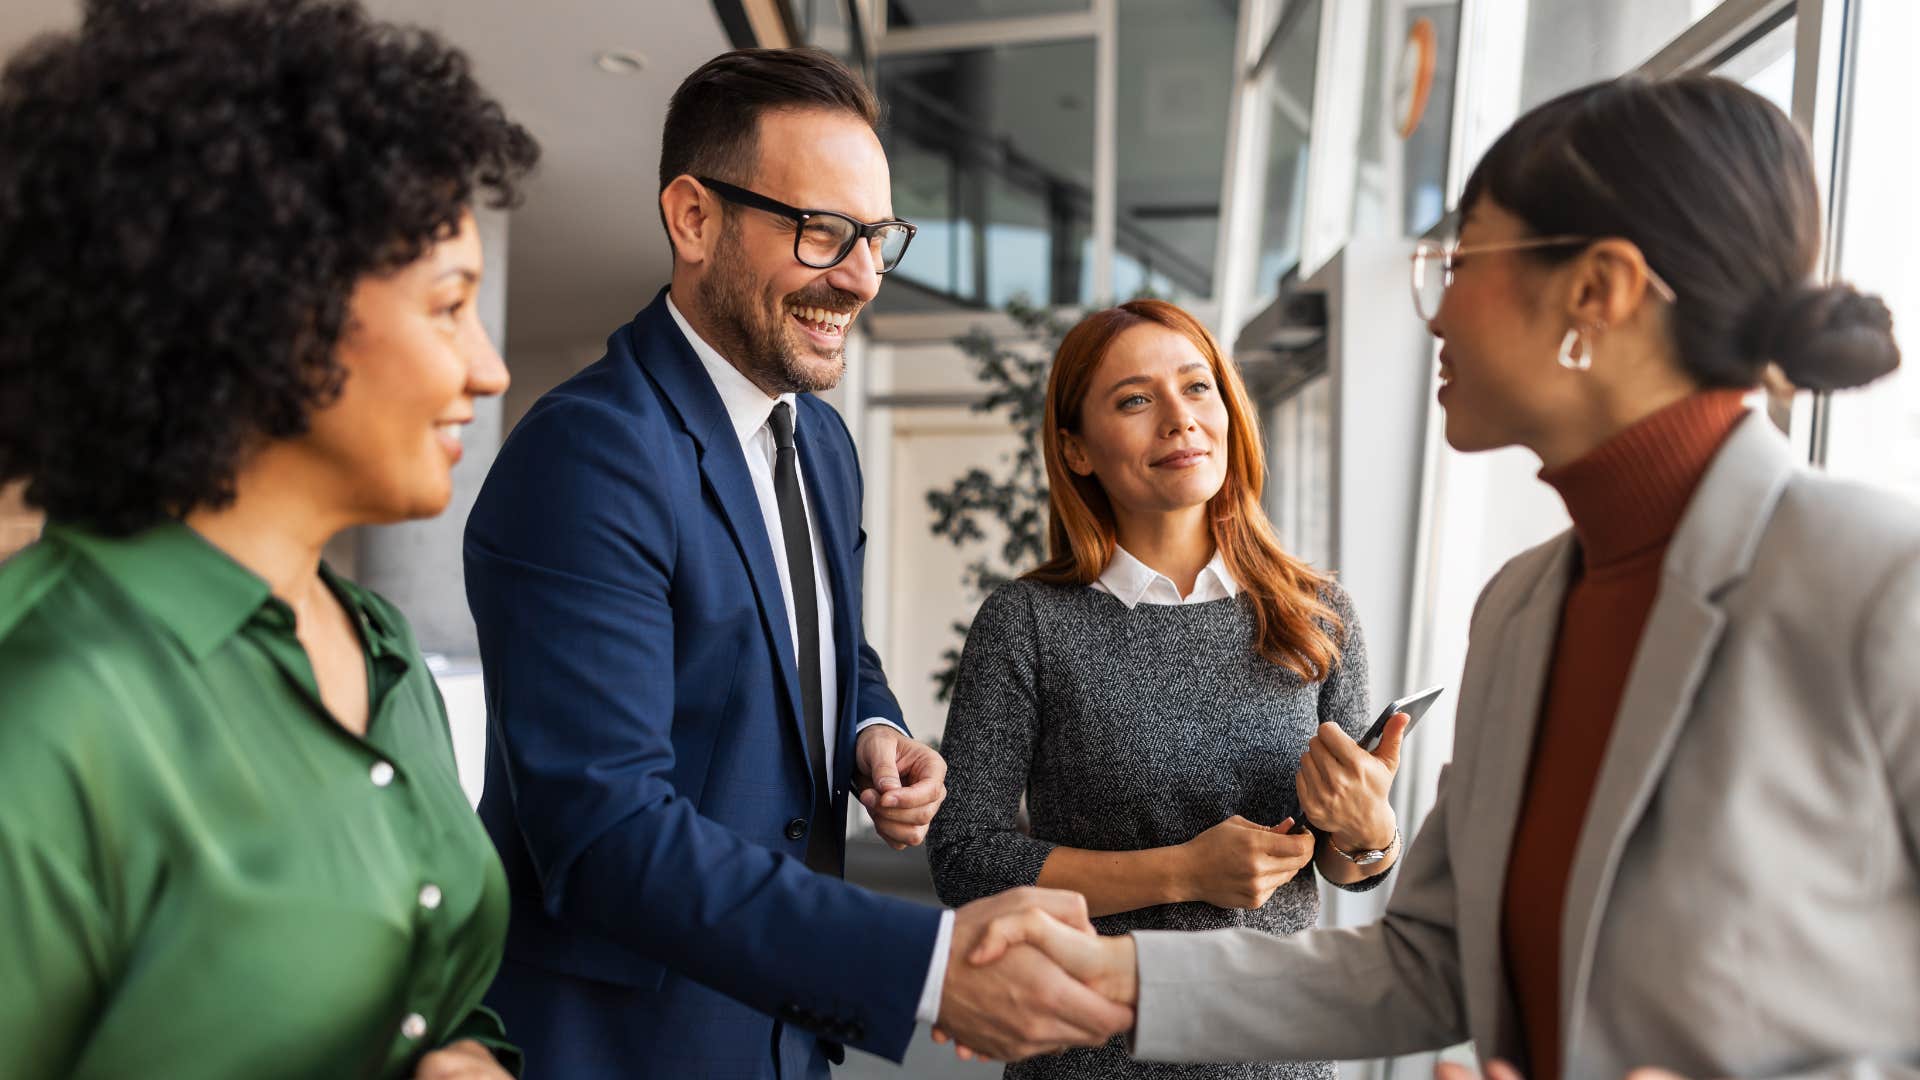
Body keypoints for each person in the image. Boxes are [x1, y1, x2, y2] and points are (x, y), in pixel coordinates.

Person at [955, 74, 1918, 1080]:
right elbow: (1435, 960)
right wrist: (1117, 980)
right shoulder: (1519, 608)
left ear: (1599, 291)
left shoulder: (1880, 585)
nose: (1437, 311)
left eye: (1462, 260)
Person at [462, 47, 1131, 1079]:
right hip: (626, 1047)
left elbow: (818, 639)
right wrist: (925, 968)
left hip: (780, 1039)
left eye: (876, 238)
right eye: (824, 232)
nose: (862, 276)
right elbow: (603, 832)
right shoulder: (588, 454)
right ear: (693, 218)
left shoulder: (819, 444)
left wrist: (873, 727)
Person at [0, 1, 541, 1077]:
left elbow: (435, 1000)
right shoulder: (49, 709)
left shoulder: (383, 649)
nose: (490, 370)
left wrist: (466, 1057)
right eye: (449, 305)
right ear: (277, 309)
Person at [928, 298, 1405, 1080]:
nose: (1180, 420)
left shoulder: (1318, 615)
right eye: (1136, 400)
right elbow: (966, 859)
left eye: (1197, 387)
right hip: (1089, 1059)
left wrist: (1369, 828)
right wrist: (1182, 871)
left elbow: (1349, 868)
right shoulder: (1027, 623)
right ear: (1077, 450)